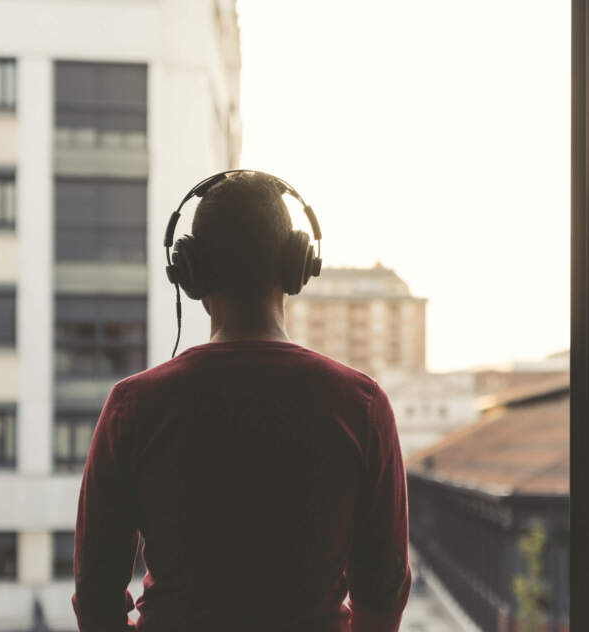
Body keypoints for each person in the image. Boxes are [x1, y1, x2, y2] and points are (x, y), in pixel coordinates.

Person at [72, 171, 411, 632]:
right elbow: (382, 599)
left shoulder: (133, 407)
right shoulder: (361, 406)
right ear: (297, 265)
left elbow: (97, 601)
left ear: (189, 271)